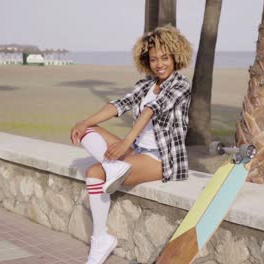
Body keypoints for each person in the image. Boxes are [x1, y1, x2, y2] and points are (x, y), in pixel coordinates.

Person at [70, 25, 193, 264]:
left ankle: (99, 241)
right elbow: (118, 105)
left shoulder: (181, 85)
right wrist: (85, 121)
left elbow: (151, 110)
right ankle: (101, 238)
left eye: (165, 58)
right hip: (138, 152)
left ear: (176, 56)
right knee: (87, 130)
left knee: (96, 172)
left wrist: (126, 142)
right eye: (154, 59)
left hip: (161, 159)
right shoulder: (145, 85)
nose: (160, 64)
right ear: (146, 61)